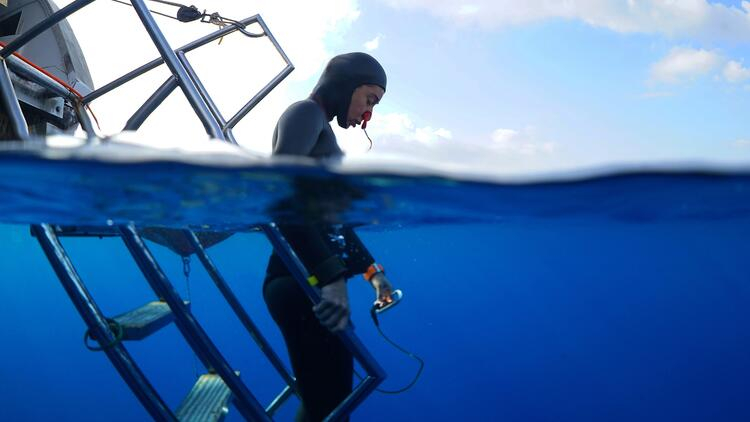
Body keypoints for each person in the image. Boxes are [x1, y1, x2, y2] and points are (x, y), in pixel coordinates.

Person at [263, 52, 395, 422]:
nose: (368, 114)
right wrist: (331, 277)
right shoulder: (305, 114)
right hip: (297, 283)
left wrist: (373, 273)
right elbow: (281, 197)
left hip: (310, 283)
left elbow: (331, 224)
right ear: (345, 84)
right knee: (329, 402)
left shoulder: (319, 125)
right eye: (370, 100)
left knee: (332, 399)